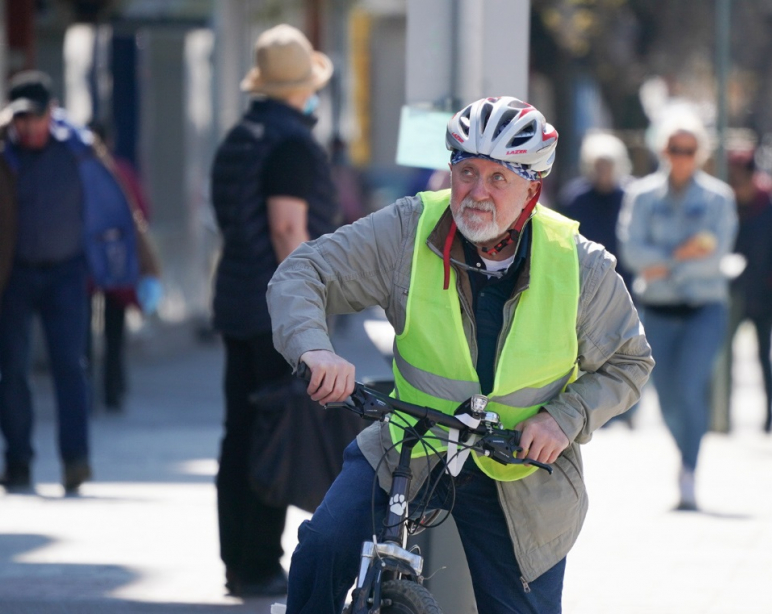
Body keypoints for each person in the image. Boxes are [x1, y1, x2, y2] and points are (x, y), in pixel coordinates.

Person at [267, 96, 653, 613]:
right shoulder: (408, 229)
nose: (476, 192)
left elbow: (630, 360)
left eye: (499, 178)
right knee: (325, 544)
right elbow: (303, 272)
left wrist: (564, 419)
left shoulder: (579, 265)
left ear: (532, 189)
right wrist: (315, 349)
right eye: (466, 171)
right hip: (413, 439)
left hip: (517, 464)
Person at [209, 24, 338, 597]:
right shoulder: (291, 143)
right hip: (273, 313)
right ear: (301, 87)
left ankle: (239, 559)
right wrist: (309, 306)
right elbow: (289, 228)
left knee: (240, 432)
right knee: (273, 434)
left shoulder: (241, 134)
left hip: (236, 300)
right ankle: (260, 561)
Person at [0, 70, 154, 494]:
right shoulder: (4, 153)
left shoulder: (79, 151)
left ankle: (75, 461)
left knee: (71, 367)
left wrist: (146, 268)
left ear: (51, 113)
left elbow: (118, 207)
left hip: (67, 274)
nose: (27, 127)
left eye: (34, 117)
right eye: (19, 119)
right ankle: (17, 462)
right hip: (14, 275)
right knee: (10, 369)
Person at [618, 110, 737, 511]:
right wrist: (682, 254)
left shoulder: (718, 198)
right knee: (665, 397)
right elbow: (633, 252)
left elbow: (715, 254)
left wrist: (664, 262)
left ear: (700, 153)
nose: (681, 156)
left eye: (688, 149)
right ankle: (683, 453)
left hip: (705, 309)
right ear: (662, 150)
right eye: (674, 148)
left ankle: (690, 468)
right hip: (658, 311)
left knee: (690, 388)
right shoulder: (642, 196)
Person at [560, 131, 639, 427]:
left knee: (627, 348)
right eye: (597, 165)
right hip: (586, 288)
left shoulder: (630, 196)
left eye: (608, 165)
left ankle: (629, 413)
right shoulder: (575, 197)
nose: (603, 171)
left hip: (627, 286)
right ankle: (601, 414)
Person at [87, 122, 162, 411]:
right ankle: (113, 389)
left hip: (89, 263)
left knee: (87, 331)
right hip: (115, 260)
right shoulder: (121, 171)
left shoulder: (82, 172)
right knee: (113, 332)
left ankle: (93, 390)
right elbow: (143, 211)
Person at [726, 150, 772, 434]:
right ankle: (722, 415)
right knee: (723, 355)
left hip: (765, 295)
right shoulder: (726, 207)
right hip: (732, 293)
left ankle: (769, 417)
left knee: (764, 356)